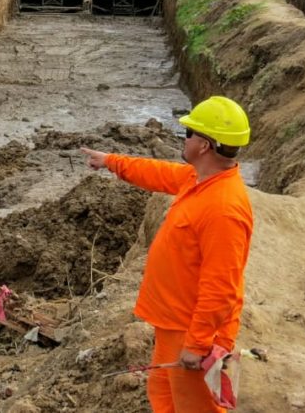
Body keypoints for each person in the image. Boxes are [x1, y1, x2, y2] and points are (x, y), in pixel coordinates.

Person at [81, 96, 253, 413]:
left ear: (205, 145)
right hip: (173, 324)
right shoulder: (199, 180)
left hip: (192, 331)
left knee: (196, 407)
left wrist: (198, 344)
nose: (183, 136)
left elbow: (222, 288)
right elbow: (157, 173)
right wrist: (111, 161)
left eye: (189, 133)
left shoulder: (224, 210)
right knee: (164, 397)